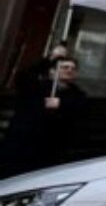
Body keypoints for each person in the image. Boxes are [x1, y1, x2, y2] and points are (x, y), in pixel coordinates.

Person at [2, 49, 87, 178]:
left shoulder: (77, 95)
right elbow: (24, 76)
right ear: (52, 72)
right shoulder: (35, 87)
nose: (69, 70)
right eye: (64, 67)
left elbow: (79, 110)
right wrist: (50, 58)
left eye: (72, 68)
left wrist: (61, 105)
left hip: (48, 148)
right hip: (21, 145)